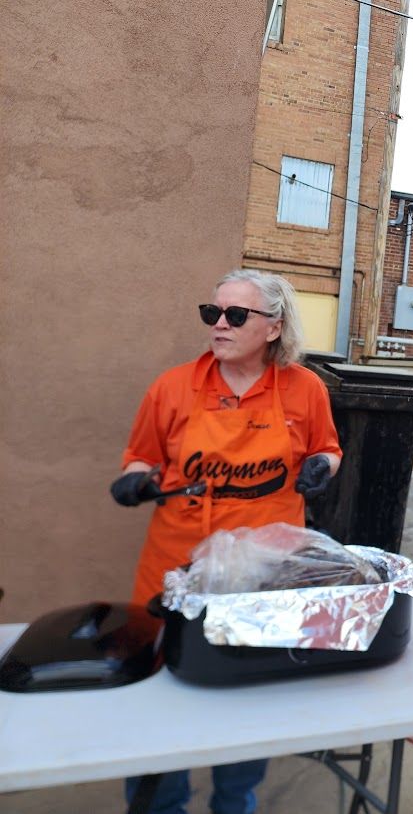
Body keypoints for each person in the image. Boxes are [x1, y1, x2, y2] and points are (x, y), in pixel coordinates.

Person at [111, 268, 342, 814]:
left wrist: (321, 468)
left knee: (248, 693)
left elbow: (327, 447)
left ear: (272, 327)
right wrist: (133, 478)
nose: (218, 324)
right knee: (164, 696)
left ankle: (234, 802)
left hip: (263, 572)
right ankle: (160, 805)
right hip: (177, 566)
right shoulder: (172, 388)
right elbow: (140, 455)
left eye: (235, 315)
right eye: (211, 313)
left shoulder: (305, 388)